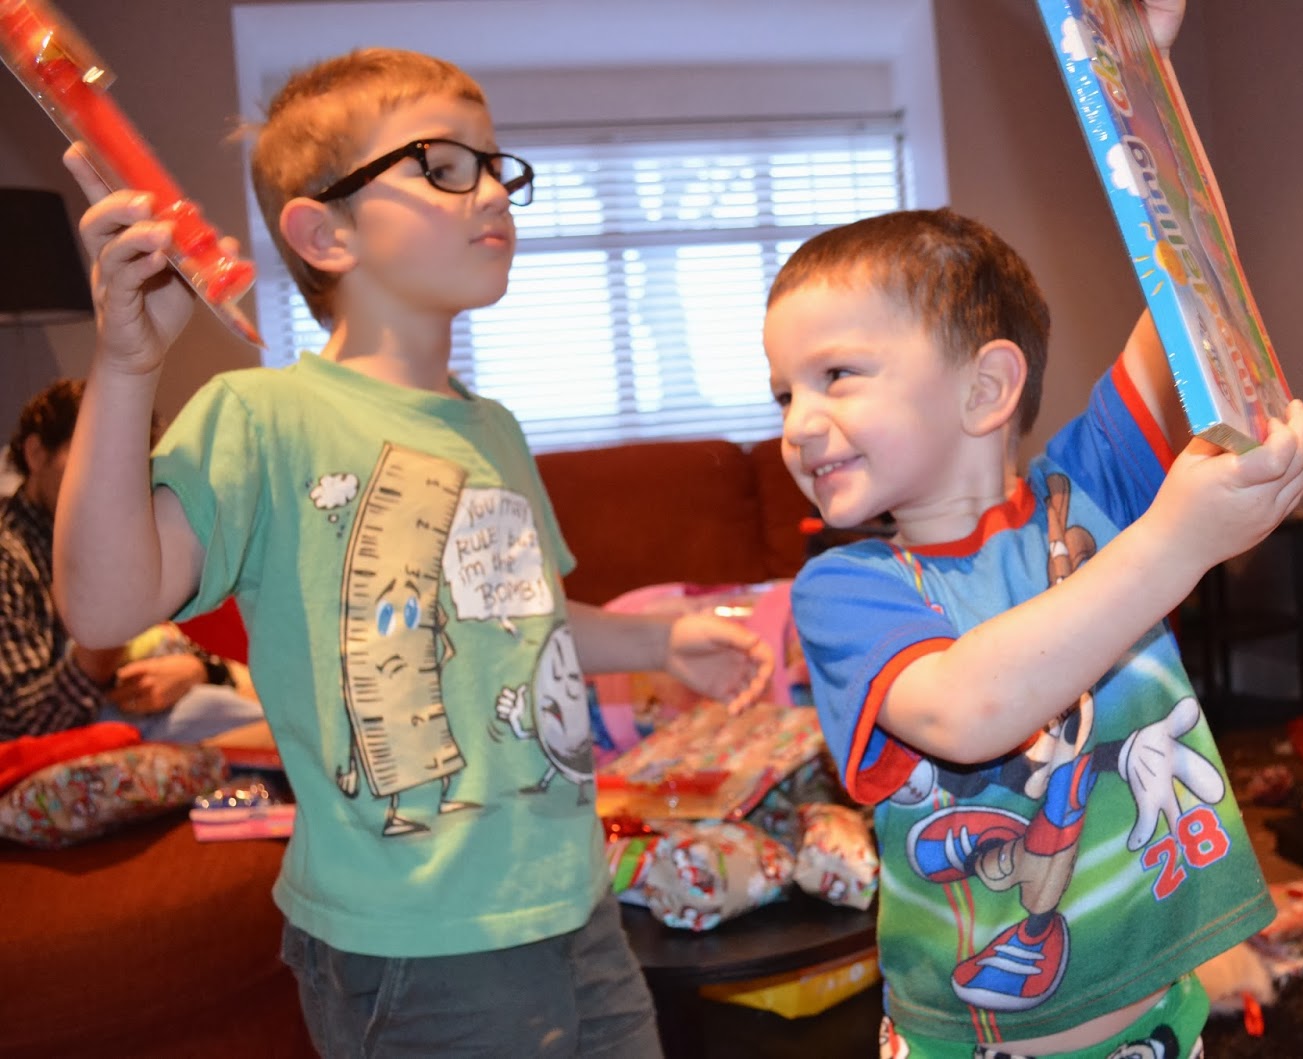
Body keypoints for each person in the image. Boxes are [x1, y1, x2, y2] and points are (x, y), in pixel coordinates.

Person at [54, 48, 772, 1056]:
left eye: (495, 164)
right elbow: (100, 608)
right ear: (325, 232)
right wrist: (128, 363)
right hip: (420, 945)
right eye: (443, 166)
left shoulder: (492, 428)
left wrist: (660, 641)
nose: (493, 191)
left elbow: (521, 620)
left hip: (573, 899)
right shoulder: (263, 415)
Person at [762, 33, 1303, 1059]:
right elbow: (968, 709)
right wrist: (1176, 542)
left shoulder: (1092, 486)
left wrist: (1135, 67)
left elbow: (1193, 272)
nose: (796, 424)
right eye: (782, 394)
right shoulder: (846, 588)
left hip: (1159, 1018)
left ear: (985, 387)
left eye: (835, 375)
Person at [0, 378, 261, 743]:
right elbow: (14, 723)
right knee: (274, 731)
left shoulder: (99, 542)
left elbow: (179, 646)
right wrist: (103, 649)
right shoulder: (10, 558)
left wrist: (195, 669)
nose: (113, 483)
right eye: (94, 458)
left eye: (129, 467)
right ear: (36, 453)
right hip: (91, 744)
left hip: (159, 714)